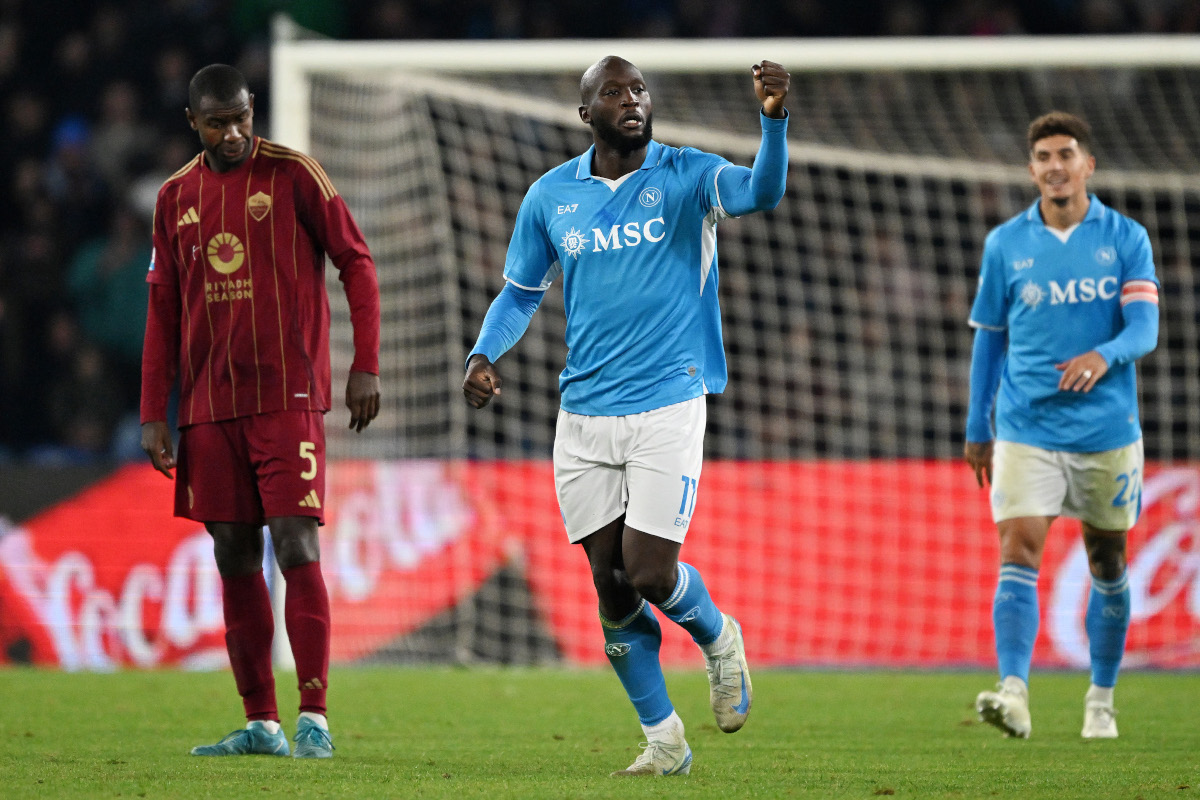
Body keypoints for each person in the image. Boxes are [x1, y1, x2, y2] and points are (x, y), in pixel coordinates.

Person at [463, 56, 789, 776]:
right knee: (609, 585)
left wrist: (772, 120)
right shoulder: (551, 197)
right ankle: (665, 740)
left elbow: (762, 192)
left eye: (640, 89)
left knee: (646, 570)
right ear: (587, 113)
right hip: (581, 414)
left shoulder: (687, 175)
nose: (632, 100)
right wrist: (483, 355)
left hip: (669, 401)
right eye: (614, 92)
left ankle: (718, 635)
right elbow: (520, 292)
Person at [140, 64, 381, 759]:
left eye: (244, 116)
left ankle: (314, 717)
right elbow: (161, 308)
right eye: (219, 121)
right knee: (233, 555)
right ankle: (262, 724)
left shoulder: (296, 174)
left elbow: (356, 262)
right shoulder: (173, 197)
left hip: (288, 398)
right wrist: (154, 410)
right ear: (195, 124)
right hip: (210, 408)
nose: (236, 131)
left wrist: (365, 363)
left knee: (297, 543)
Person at [964, 111, 1159, 740]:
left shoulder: (1126, 238)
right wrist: (978, 423)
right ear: (1031, 170)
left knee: (1107, 558)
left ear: (1087, 165)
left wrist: (1106, 354)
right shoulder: (1005, 245)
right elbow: (989, 343)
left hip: (1106, 430)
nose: (1055, 166)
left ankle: (1101, 698)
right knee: (1017, 549)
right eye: (1044, 156)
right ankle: (1014, 691)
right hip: (1026, 426)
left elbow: (1145, 328)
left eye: (1066, 154)